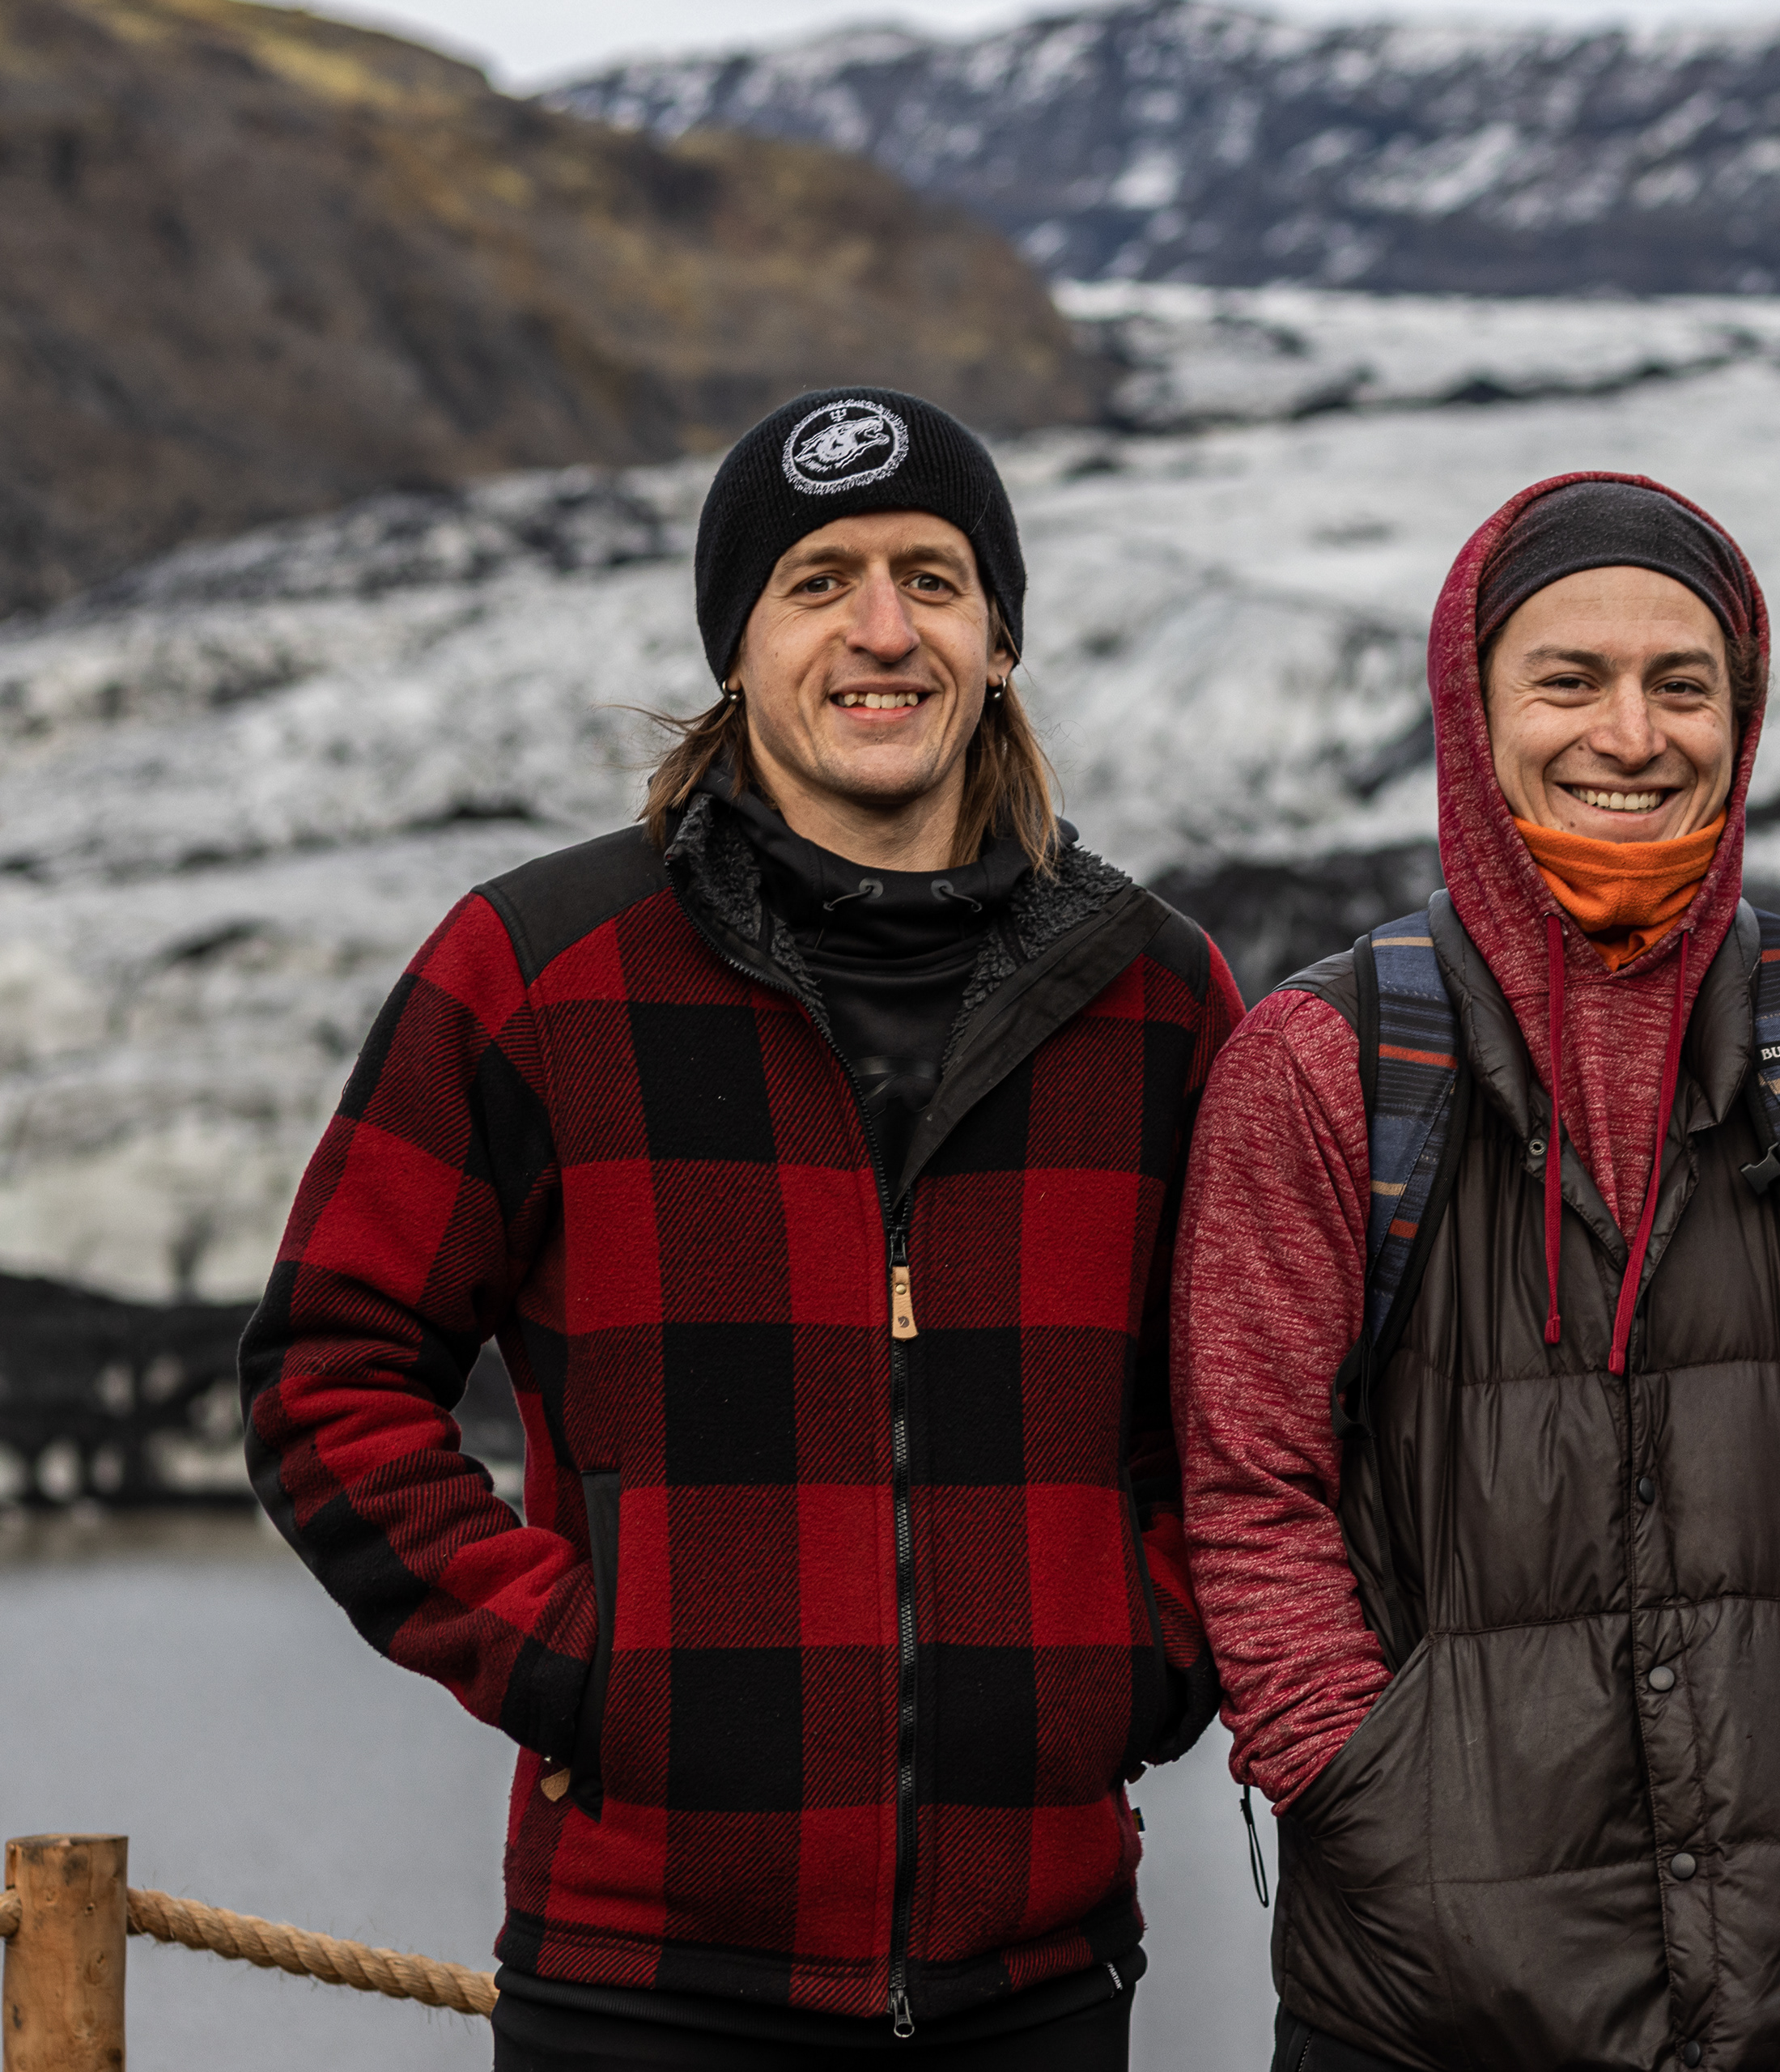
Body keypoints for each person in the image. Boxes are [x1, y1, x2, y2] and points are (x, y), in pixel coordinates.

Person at [241, 388, 1242, 2070]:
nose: (882, 631)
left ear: (998, 638)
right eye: (818, 580)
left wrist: (1137, 1665)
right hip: (644, 1977)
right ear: (737, 646)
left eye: (933, 578)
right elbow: (325, 1372)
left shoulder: (1156, 999)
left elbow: (1256, 1413)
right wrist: (583, 1666)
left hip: (1038, 1976)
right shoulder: (542, 970)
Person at [1171, 473, 1780, 2072]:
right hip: (1416, 2007)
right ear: (1472, 712)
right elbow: (1249, 1487)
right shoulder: (1326, 1063)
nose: (1631, 733)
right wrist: (1360, 1783)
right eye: (1569, 679)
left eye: (1682, 684)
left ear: (1741, 721)